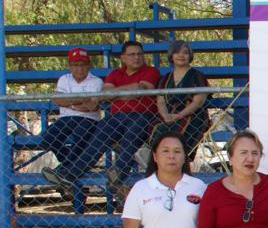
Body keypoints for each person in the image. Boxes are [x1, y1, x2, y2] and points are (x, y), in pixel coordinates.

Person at [52, 40, 161, 192]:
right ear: (123, 57)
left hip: (142, 114)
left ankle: (118, 173)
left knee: (132, 137)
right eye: (132, 54)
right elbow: (107, 94)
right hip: (116, 116)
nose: (136, 57)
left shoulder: (151, 71)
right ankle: (69, 175)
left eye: (139, 54)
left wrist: (116, 93)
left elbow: (140, 89)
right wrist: (125, 92)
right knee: (96, 141)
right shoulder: (115, 73)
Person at [40, 47, 104, 192]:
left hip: (88, 119)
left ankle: (64, 170)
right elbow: (57, 100)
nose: (79, 68)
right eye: (75, 65)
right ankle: (69, 167)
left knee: (81, 135)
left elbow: (92, 106)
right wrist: (80, 101)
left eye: (82, 64)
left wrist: (69, 101)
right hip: (66, 118)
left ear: (89, 65)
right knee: (47, 138)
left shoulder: (96, 81)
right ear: (70, 66)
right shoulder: (64, 79)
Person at [154, 40, 210, 168]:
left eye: (185, 53)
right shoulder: (166, 78)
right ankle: (158, 161)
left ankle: (181, 163)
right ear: (171, 56)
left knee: (182, 130)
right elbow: (161, 100)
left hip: (191, 113)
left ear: (190, 55)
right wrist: (165, 115)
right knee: (157, 128)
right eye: (177, 52)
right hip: (169, 114)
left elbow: (198, 101)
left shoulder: (197, 75)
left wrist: (179, 115)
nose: (181, 55)